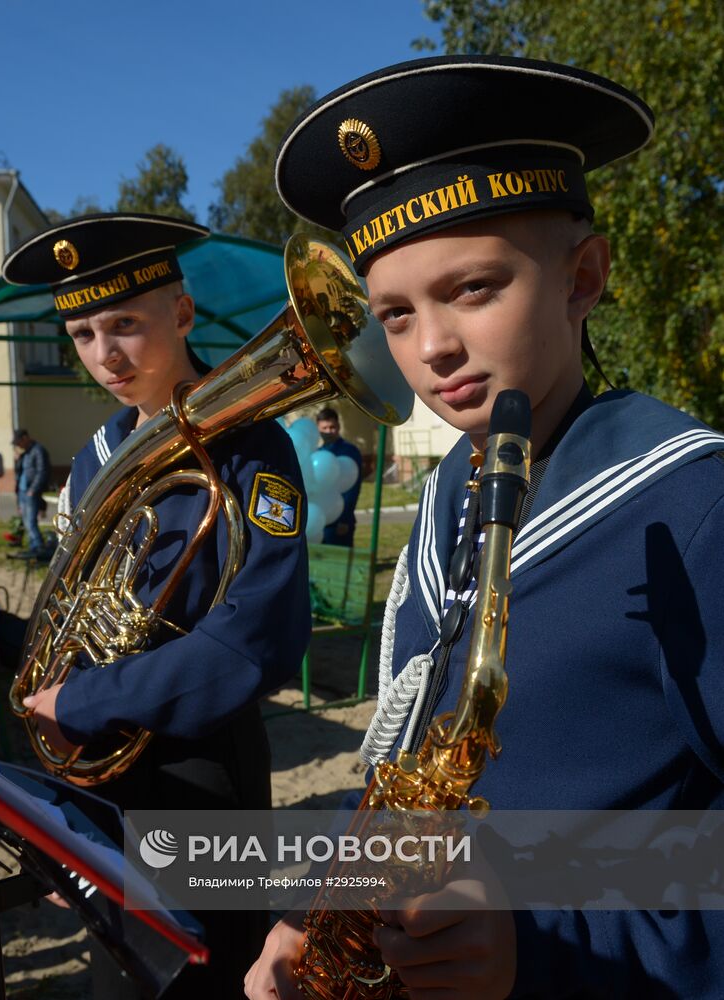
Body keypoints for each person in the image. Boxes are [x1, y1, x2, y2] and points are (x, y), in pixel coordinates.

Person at [245, 56, 724, 998]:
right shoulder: (448, 496)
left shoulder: (691, 503)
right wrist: (310, 910)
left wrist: (539, 948)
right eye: (393, 313)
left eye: (473, 289)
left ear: (583, 277)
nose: (432, 349)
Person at [1, 212, 312, 999]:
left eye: (125, 325)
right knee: (123, 973)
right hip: (99, 767)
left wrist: (86, 698)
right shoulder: (100, 453)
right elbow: (67, 619)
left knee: (206, 975)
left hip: (199, 772)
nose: (104, 356)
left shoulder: (251, 444)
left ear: (181, 313)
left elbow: (259, 639)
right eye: (80, 333)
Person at [315, 406, 362, 546]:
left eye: (332, 427)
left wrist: (345, 519)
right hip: (319, 519)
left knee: (340, 564)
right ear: (318, 428)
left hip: (339, 521)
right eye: (324, 428)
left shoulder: (349, 451)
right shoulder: (317, 453)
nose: (329, 431)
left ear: (339, 426)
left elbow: (352, 488)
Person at [11, 428, 50, 553]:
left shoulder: (38, 450)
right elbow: (21, 472)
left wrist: (34, 489)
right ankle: (33, 546)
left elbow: (42, 471)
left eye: (18, 442)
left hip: (30, 491)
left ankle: (38, 546)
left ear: (25, 438)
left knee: (31, 521)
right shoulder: (26, 452)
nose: (17, 445)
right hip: (22, 491)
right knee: (26, 521)